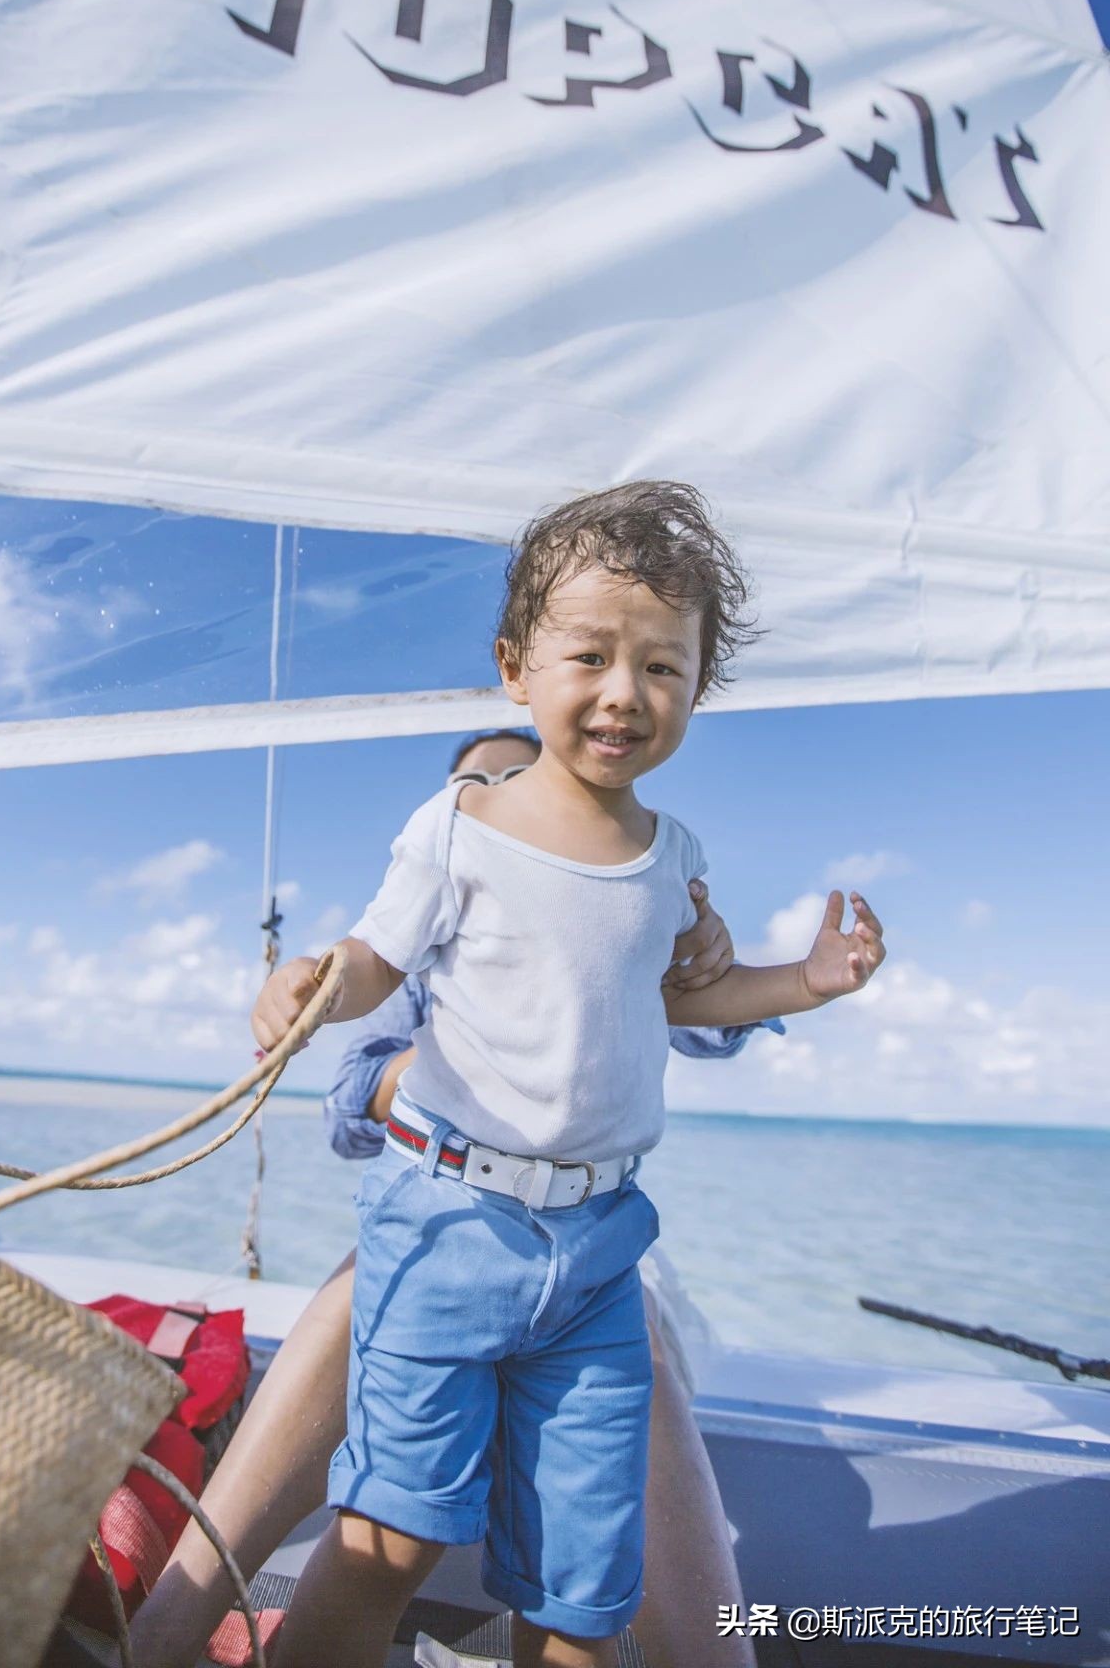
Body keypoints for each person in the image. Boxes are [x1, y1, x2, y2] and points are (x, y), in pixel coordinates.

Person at [251, 482, 886, 1668]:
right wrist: (308, 987)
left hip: (596, 1249)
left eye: (663, 668)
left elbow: (692, 1002)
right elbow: (375, 961)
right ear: (513, 665)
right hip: (445, 1226)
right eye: (588, 655)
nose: (623, 693)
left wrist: (805, 979)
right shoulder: (457, 824)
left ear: (697, 688)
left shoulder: (671, 857)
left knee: (587, 1588)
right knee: (390, 1537)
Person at [128, 726, 765, 1668]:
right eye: (478, 786)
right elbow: (351, 1102)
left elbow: (717, 1034)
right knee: (369, 1283)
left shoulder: (624, 889)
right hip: (448, 1216)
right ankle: (170, 1626)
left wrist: (697, 952)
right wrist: (471, 1063)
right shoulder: (430, 925)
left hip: (592, 1242)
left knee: (634, 1329)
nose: (500, 794)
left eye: (520, 775)